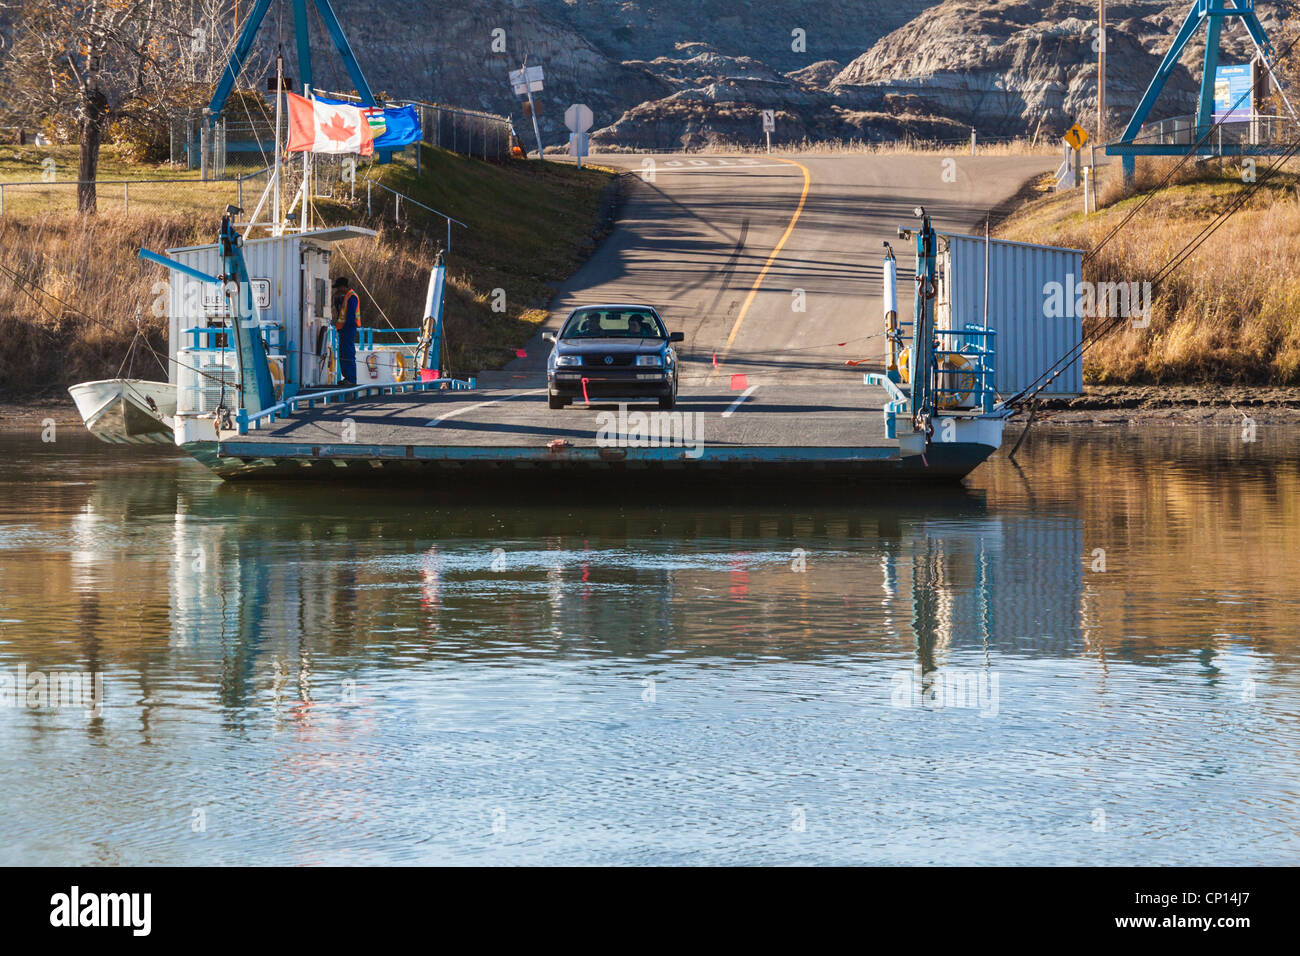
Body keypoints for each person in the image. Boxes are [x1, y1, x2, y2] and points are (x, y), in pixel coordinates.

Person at [332, 276, 361, 386]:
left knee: (348, 353)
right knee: (343, 353)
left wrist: (345, 326)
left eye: (338, 288)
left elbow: (350, 315)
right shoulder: (345, 297)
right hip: (343, 329)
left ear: (343, 287)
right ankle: (347, 377)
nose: (337, 290)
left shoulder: (351, 296)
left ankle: (351, 379)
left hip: (348, 328)